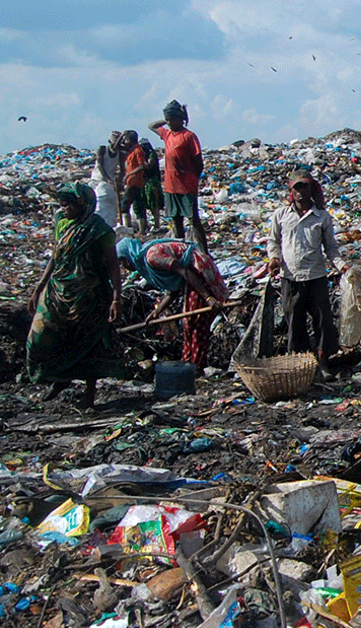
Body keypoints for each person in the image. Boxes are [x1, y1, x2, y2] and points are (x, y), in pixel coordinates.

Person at [26, 183, 125, 407]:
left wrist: (116, 299)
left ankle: (89, 396)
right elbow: (55, 255)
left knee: (89, 343)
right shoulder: (62, 224)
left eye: (69, 204)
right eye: (62, 204)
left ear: (83, 205)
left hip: (89, 296)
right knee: (39, 337)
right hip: (58, 291)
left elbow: (113, 267)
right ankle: (60, 378)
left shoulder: (99, 230)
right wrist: (39, 287)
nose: (65, 208)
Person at [268, 170, 345, 378]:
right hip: (290, 278)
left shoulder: (322, 217)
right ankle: (300, 367)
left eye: (305, 187)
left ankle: (322, 365)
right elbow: (273, 241)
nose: (301, 193)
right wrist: (274, 258)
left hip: (316, 276)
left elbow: (331, 248)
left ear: (312, 189)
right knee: (295, 323)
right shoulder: (281, 215)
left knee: (323, 322)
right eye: (297, 188)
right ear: (291, 191)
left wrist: (342, 266)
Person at [117, 238, 229, 370]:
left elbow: (185, 272)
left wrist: (208, 297)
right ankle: (188, 362)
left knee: (195, 322)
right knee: (189, 323)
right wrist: (156, 312)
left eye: (123, 262)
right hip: (192, 276)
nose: (124, 267)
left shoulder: (152, 256)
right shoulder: (147, 262)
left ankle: (196, 366)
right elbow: (174, 290)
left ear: (128, 255)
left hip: (198, 271)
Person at [147, 100, 209, 253]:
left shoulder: (188, 136)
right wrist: (167, 117)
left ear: (180, 119)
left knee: (193, 220)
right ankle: (182, 251)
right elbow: (152, 126)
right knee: (176, 220)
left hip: (187, 185)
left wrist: (193, 178)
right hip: (171, 185)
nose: (168, 123)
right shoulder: (167, 135)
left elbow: (198, 162)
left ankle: (204, 252)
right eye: (167, 120)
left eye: (171, 120)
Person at [92, 130, 135, 227]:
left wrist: (121, 181)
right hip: (98, 180)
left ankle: (110, 225)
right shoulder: (102, 149)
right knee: (100, 203)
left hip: (110, 181)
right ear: (109, 141)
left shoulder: (120, 153)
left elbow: (122, 169)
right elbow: (100, 165)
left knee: (112, 204)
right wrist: (107, 180)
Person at [118, 131, 150, 232]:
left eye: (126, 139)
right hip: (133, 181)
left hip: (134, 182)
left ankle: (128, 229)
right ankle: (141, 230)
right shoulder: (131, 150)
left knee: (125, 206)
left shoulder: (138, 151)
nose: (125, 141)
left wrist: (129, 174)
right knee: (137, 205)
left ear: (130, 140)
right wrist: (122, 135)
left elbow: (142, 166)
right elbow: (116, 146)